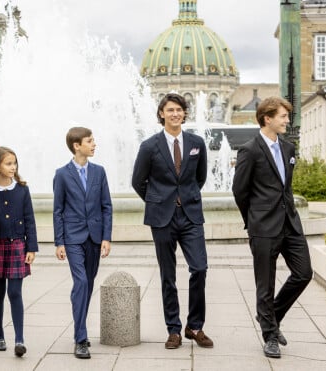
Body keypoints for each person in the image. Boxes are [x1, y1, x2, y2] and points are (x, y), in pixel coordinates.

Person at [232, 96, 312, 359]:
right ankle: (269, 336)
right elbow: (240, 191)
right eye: (283, 116)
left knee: (303, 273)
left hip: (290, 222)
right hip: (263, 227)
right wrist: (253, 219)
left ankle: (271, 316)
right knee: (264, 284)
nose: (288, 121)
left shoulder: (288, 149)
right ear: (267, 118)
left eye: (287, 116)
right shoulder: (249, 150)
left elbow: (285, 188)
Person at [131, 93, 213, 350]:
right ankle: (174, 329)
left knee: (199, 268)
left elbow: (200, 178)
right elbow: (138, 181)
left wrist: (184, 198)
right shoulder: (149, 146)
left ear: (184, 113)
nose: (175, 113)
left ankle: (195, 326)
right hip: (162, 218)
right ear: (161, 114)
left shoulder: (196, 143)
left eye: (179, 109)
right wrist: (158, 201)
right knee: (168, 275)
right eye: (170, 110)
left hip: (190, 216)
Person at [53, 126, 112, 359]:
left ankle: (79, 326)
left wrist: (107, 237)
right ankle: (81, 339)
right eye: (90, 141)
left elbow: (107, 206)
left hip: (95, 238)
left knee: (86, 284)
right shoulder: (62, 174)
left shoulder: (100, 172)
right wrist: (59, 242)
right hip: (73, 238)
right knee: (81, 283)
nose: (94, 144)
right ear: (77, 145)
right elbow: (57, 210)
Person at [0, 146, 38, 357]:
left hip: (17, 246)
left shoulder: (22, 189)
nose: (13, 167)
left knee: (15, 292)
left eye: (14, 163)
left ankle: (19, 339)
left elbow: (30, 219)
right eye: (8, 163)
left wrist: (31, 247)